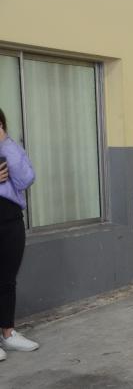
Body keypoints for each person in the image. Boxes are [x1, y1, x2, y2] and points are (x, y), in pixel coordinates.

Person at [0, 108, 38, 361]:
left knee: (6, 279)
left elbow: (25, 179)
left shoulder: (10, 148)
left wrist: (4, 142)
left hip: (9, 219)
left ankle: (8, 333)